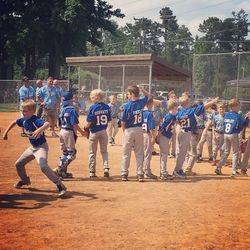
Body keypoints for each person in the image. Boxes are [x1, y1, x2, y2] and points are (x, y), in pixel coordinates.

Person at [2, 100, 66, 197]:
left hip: (41, 148)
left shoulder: (35, 120)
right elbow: (14, 122)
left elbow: (47, 124)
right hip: (32, 148)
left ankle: (60, 185)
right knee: (19, 164)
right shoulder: (23, 120)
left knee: (43, 167)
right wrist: (5, 133)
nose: (23, 113)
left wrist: (39, 129)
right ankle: (25, 180)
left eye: (26, 111)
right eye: (22, 110)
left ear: (33, 111)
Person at [173, 95, 219, 178]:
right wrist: (213, 101)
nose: (190, 101)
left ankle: (180, 169)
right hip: (186, 133)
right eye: (189, 100)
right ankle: (177, 170)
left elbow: (176, 121)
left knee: (182, 153)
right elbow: (204, 106)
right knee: (183, 153)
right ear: (186, 103)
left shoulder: (179, 112)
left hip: (180, 131)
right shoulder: (190, 111)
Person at [120, 85, 150, 182]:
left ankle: (124, 173)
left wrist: (124, 132)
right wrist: (142, 90)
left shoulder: (128, 106)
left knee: (126, 153)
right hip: (139, 129)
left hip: (129, 130)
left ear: (132, 94)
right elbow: (149, 96)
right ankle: (140, 173)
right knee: (139, 152)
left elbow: (123, 122)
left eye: (128, 94)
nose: (127, 96)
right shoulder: (141, 102)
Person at [54, 91, 86, 179]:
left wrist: (61, 134)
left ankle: (62, 173)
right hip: (68, 132)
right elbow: (74, 124)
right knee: (72, 153)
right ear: (71, 100)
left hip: (62, 131)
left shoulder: (61, 110)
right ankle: (60, 169)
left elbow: (59, 124)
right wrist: (82, 132)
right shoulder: (72, 110)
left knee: (65, 152)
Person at [215, 99, 250, 176]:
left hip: (226, 134)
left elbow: (224, 125)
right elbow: (242, 125)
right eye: (239, 106)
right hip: (233, 134)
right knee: (235, 153)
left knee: (226, 152)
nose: (239, 107)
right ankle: (234, 171)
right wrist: (247, 117)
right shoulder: (237, 115)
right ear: (235, 106)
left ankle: (218, 167)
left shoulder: (226, 114)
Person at [84, 89, 111, 178]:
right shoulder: (107, 107)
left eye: (92, 97)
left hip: (94, 131)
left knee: (92, 152)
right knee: (104, 151)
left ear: (97, 97)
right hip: (103, 131)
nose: (91, 99)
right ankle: (106, 168)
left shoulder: (93, 107)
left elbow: (89, 121)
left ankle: (92, 171)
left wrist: (86, 128)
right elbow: (109, 119)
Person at [157, 101, 178, 180]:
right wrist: (158, 137)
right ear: (172, 109)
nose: (177, 110)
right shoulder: (169, 117)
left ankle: (163, 172)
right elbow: (162, 128)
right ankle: (163, 173)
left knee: (164, 155)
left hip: (167, 137)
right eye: (176, 109)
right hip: (164, 137)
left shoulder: (172, 116)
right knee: (164, 155)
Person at [142, 97, 157, 179]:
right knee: (147, 154)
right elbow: (151, 127)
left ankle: (141, 170)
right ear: (150, 104)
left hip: (140, 134)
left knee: (142, 154)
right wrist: (153, 137)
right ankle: (146, 171)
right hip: (147, 135)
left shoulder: (140, 112)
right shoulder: (149, 113)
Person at [168, 90, 177, 158]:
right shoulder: (166, 104)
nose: (174, 97)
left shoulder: (177, 105)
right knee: (168, 138)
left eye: (174, 96)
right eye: (172, 96)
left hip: (174, 124)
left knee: (174, 139)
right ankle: (167, 152)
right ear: (169, 97)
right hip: (168, 123)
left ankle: (172, 152)